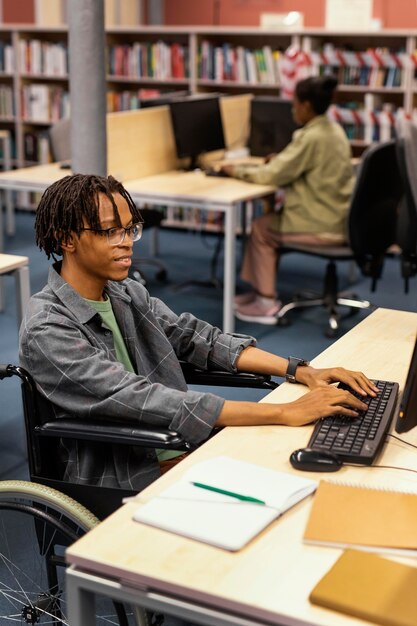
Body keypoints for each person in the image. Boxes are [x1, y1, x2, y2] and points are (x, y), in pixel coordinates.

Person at [19, 174, 376, 492]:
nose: (127, 242)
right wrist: (285, 411)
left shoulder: (125, 293)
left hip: (182, 445)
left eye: (130, 229)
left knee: (319, 475)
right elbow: (141, 398)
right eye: (110, 231)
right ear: (66, 239)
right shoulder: (48, 328)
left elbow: (196, 338)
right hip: (130, 473)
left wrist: (299, 370)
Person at [221, 75, 355, 325]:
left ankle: (265, 302)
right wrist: (281, 160)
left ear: (305, 106)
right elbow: (294, 164)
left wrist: (235, 170)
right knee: (267, 223)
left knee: (261, 229)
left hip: (321, 224)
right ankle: (259, 291)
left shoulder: (309, 137)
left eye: (294, 104)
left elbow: (272, 175)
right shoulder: (333, 129)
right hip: (338, 217)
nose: (292, 109)